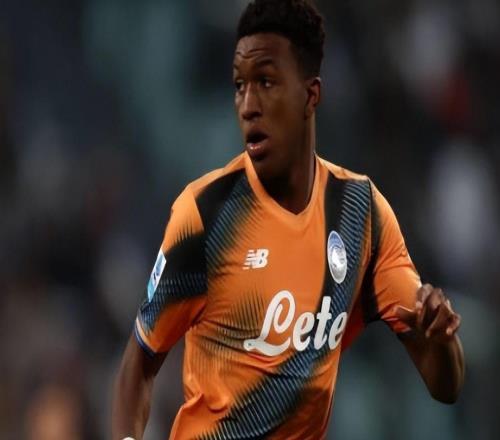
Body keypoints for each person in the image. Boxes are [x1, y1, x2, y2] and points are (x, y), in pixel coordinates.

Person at [112, 1, 465, 439]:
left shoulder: (361, 212)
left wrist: (440, 339)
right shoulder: (206, 213)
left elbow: (445, 385)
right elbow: (139, 362)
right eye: (240, 85)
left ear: (310, 95)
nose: (248, 105)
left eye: (266, 82)